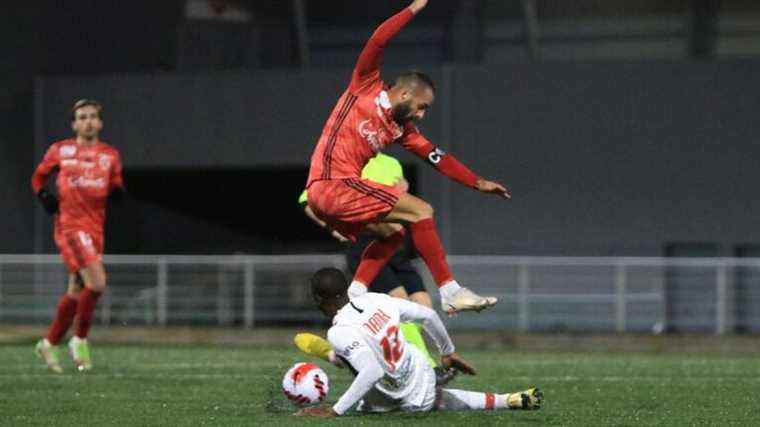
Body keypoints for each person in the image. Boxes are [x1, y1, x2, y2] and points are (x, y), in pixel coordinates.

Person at [304, 0, 510, 315]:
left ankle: (355, 295)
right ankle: (451, 291)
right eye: (421, 106)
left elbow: (437, 157)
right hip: (331, 185)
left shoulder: (401, 130)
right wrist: (414, 8)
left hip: (336, 195)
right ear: (404, 94)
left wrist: (477, 182)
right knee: (421, 210)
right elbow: (378, 40)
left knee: (394, 235)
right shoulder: (365, 86)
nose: (422, 114)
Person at [296, 268, 542, 417]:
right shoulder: (376, 299)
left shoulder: (339, 331)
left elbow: (371, 371)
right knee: (436, 397)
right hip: (420, 376)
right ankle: (506, 399)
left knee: (362, 393)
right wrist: (448, 352)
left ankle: (335, 364)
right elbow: (429, 316)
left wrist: (335, 410)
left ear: (320, 300)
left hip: (391, 401)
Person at [31, 99, 125, 373]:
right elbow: (38, 177)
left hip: (95, 228)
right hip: (70, 227)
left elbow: (116, 184)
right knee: (96, 283)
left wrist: (118, 193)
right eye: (82, 117)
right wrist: (44, 195)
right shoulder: (61, 150)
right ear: (74, 124)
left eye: (93, 116)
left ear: (100, 122)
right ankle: (79, 340)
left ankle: (48, 343)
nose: (88, 121)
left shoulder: (110, 155)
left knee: (77, 290)